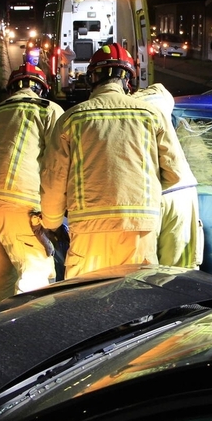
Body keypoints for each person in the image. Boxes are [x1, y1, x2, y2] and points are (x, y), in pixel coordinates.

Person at [39, 43, 185, 279]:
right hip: (139, 228)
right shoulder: (151, 115)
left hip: (88, 229)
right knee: (135, 294)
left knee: (84, 294)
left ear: (92, 78)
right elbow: (175, 173)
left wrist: (52, 222)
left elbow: (53, 179)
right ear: (128, 80)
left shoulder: (71, 119)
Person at [0, 64, 66, 308]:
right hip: (20, 201)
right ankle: (30, 325)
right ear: (41, 89)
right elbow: (58, 162)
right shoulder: (47, 109)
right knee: (35, 270)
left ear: (11, 90)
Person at [130, 82, 203, 269]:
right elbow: (175, 168)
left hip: (145, 197)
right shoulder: (162, 99)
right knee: (180, 270)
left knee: (144, 270)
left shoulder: (126, 109)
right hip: (180, 193)